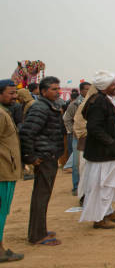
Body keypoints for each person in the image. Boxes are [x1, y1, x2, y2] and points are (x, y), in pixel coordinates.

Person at [20, 76, 67, 245]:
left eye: (58, 88)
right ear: (43, 91)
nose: (57, 92)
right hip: (44, 157)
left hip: (49, 155)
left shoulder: (49, 106)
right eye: (54, 89)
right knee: (41, 196)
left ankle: (39, 230)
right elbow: (27, 133)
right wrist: (30, 156)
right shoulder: (40, 108)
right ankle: (37, 235)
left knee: (42, 195)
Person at [79, 71, 115, 229]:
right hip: (104, 153)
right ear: (104, 87)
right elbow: (94, 127)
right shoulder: (99, 101)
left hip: (111, 153)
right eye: (112, 85)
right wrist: (111, 142)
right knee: (102, 185)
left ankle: (107, 211)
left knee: (110, 185)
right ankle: (99, 218)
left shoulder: (106, 99)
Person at [0, 80, 25, 262]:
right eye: (11, 93)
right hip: (2, 171)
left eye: (16, 93)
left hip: (7, 169)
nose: (15, 97)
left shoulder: (5, 112)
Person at [63, 82, 91, 196]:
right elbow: (67, 119)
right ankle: (76, 186)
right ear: (81, 91)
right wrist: (73, 131)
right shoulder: (74, 104)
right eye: (86, 89)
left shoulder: (92, 102)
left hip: (89, 136)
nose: (89, 91)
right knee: (76, 163)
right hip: (77, 137)